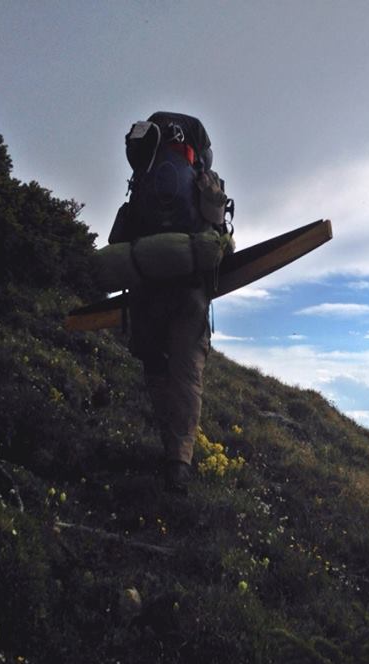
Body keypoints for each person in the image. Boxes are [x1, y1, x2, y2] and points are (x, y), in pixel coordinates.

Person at [108, 111, 232, 494]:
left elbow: (120, 240)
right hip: (189, 290)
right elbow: (223, 242)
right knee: (187, 373)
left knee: (155, 366)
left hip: (148, 289)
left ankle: (167, 444)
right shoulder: (201, 183)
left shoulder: (144, 179)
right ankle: (178, 461)